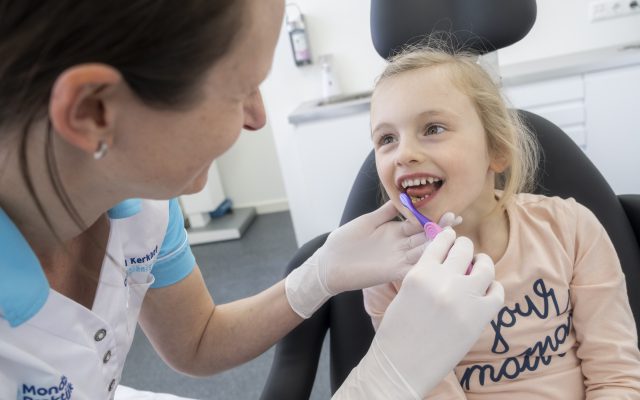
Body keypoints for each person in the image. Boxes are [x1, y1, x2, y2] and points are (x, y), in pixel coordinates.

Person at [0, 2, 505, 399]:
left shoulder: (139, 200)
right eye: (242, 88)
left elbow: (196, 342)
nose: (258, 117)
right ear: (94, 111)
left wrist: (318, 275)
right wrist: (389, 376)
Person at [364, 43, 640, 399]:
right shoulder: (390, 276)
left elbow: (616, 377)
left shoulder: (570, 230)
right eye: (387, 139)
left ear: (497, 149)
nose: (403, 154)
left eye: (432, 128)